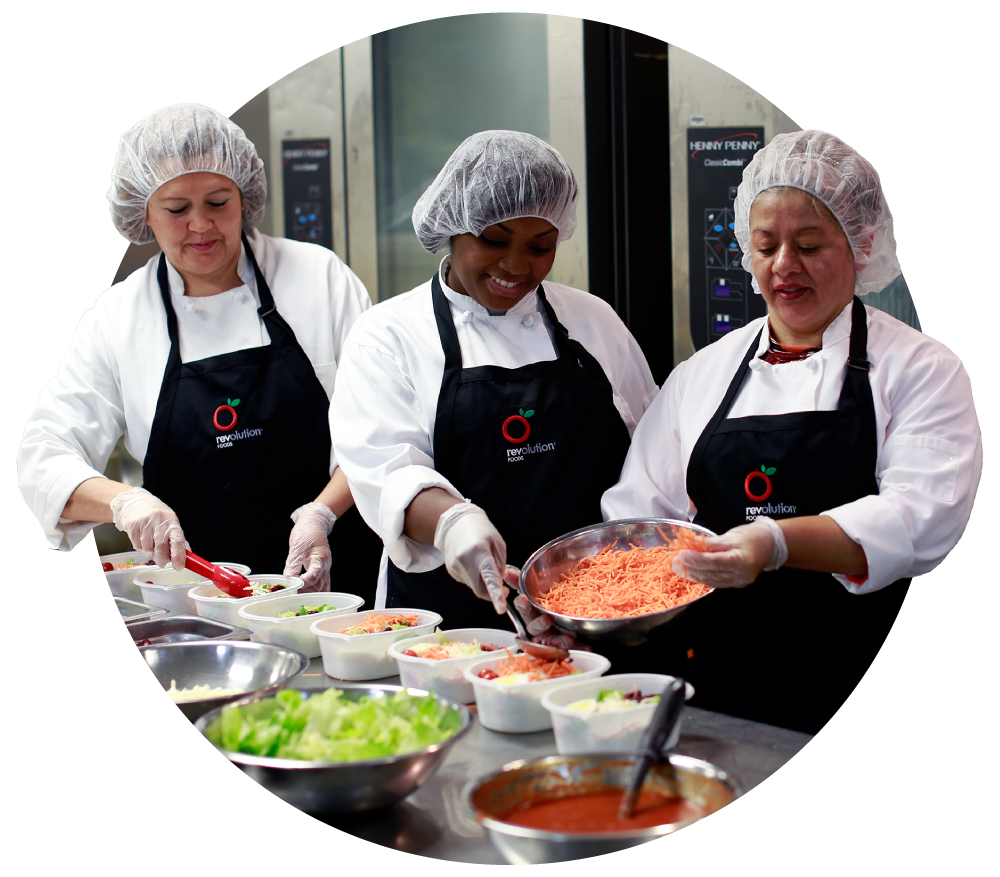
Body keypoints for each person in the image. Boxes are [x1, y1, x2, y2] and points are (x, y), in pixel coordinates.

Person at [600, 129, 982, 733]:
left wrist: (773, 542)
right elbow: (640, 523)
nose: (783, 266)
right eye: (765, 245)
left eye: (808, 244)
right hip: (720, 687)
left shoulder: (922, 369)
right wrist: (587, 613)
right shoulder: (701, 375)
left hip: (855, 664)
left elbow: (918, 520)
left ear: (861, 245)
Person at [17, 103, 383, 596]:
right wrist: (125, 503)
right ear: (144, 212)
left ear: (244, 196)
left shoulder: (319, 278)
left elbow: (380, 424)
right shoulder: (119, 316)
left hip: (337, 589)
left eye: (217, 202)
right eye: (176, 209)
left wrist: (321, 514)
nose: (201, 225)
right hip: (195, 601)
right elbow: (43, 455)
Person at [330, 130, 659, 632]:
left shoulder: (593, 321)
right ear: (453, 227)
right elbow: (385, 473)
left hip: (593, 610)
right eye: (493, 240)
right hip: (443, 629)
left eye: (540, 246)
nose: (516, 265)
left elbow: (651, 455)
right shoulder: (387, 335)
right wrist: (454, 523)